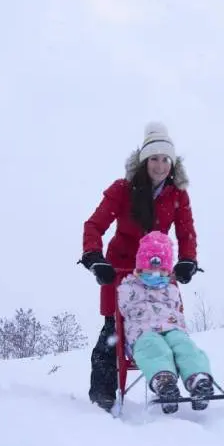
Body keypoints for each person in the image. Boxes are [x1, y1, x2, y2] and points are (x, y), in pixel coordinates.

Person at [80, 121, 199, 411]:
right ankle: (103, 394)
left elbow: (186, 233)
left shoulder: (177, 195)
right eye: (154, 159)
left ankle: (179, 378)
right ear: (144, 160)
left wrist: (187, 261)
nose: (160, 166)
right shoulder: (122, 190)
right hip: (121, 273)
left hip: (159, 273)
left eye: (165, 159)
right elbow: (94, 225)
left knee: (168, 328)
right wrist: (95, 258)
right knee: (114, 330)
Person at [117, 231, 214, 413]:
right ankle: (164, 382)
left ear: (168, 271)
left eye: (162, 271)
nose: (156, 275)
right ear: (140, 268)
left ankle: (198, 379)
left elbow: (177, 310)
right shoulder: (129, 287)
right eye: (150, 270)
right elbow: (124, 307)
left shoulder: (171, 289)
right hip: (142, 333)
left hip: (171, 329)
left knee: (185, 346)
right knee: (155, 348)